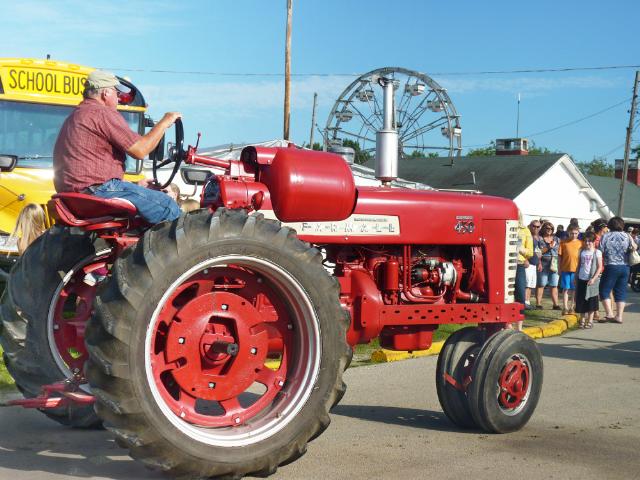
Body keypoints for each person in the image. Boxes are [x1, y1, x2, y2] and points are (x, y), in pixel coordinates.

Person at [53, 70, 182, 225]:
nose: (118, 98)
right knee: (167, 205)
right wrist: (165, 121)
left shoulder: (75, 116)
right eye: (116, 92)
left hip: (74, 196)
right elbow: (140, 150)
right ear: (105, 93)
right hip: (98, 191)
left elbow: (90, 168)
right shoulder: (102, 113)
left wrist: (134, 186)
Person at [598, 216, 637, 324]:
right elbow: (634, 247)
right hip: (625, 267)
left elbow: (600, 250)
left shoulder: (605, 236)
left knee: (604, 290)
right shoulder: (627, 236)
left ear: (610, 225)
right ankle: (619, 316)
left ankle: (609, 314)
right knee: (620, 291)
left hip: (611, 266)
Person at [574, 232, 603, 329]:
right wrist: (575, 277)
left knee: (591, 301)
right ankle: (582, 320)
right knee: (581, 300)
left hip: (592, 280)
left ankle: (590, 321)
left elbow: (599, 267)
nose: (587, 243)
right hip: (582, 278)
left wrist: (593, 279)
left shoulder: (597, 252)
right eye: (585, 241)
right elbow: (578, 265)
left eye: (589, 241)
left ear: (594, 241)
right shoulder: (581, 251)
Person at [535, 221, 561, 310]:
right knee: (541, 284)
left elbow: (560, 252)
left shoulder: (557, 239)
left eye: (551, 228)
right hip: (543, 263)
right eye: (547, 228)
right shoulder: (539, 239)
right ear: (543, 229)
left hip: (554, 263)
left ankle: (556, 304)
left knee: (554, 284)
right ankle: (538, 303)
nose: (549, 230)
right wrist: (548, 247)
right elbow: (538, 252)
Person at [514, 211, 533, 330]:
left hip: (519, 265)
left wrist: (520, 249)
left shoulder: (525, 230)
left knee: (520, 295)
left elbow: (530, 252)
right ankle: (508, 325)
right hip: (504, 264)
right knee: (506, 297)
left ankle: (519, 326)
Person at [558, 224, 582, 314]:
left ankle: (572, 306)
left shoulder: (581, 243)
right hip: (565, 269)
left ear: (578, 233)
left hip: (576, 270)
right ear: (568, 232)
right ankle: (565, 307)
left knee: (574, 289)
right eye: (572, 233)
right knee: (565, 289)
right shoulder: (563, 242)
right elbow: (560, 256)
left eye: (576, 233)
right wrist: (559, 268)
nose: (574, 235)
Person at [525, 220, 542, 308]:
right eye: (534, 226)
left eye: (538, 227)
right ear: (530, 226)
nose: (536, 228)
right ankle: (524, 302)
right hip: (528, 263)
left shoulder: (538, 238)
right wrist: (525, 260)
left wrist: (539, 263)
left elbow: (538, 251)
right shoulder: (527, 235)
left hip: (534, 264)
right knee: (526, 284)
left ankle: (527, 301)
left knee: (531, 284)